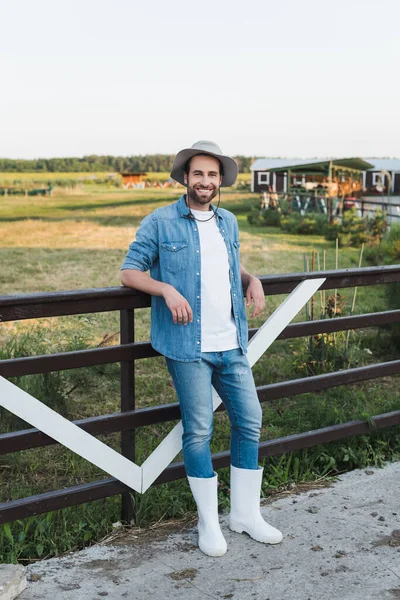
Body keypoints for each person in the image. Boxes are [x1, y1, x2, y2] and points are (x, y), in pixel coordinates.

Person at [120, 141, 283, 557]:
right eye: (198, 174)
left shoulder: (228, 221)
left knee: (250, 420)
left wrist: (253, 279)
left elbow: (226, 264)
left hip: (231, 342)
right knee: (199, 431)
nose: (205, 181)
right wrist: (165, 289)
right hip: (187, 347)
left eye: (213, 175)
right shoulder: (160, 221)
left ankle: (244, 515)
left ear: (220, 181)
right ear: (185, 178)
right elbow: (128, 271)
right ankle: (208, 524)